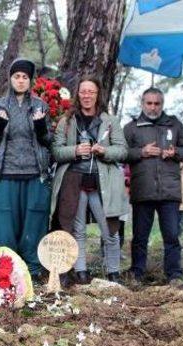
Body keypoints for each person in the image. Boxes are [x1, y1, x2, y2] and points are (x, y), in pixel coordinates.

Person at [51, 75, 129, 285]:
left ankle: (113, 272)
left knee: (109, 229)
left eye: (91, 92)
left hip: (102, 182)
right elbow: (56, 151)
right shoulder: (67, 121)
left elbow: (122, 151)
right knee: (78, 230)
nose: (87, 95)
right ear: (78, 94)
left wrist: (104, 151)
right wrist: (75, 150)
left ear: (97, 95)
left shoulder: (110, 121)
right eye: (83, 91)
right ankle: (81, 271)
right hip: (74, 181)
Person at [0, 58, 52, 280]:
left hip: (35, 173)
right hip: (6, 172)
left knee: (33, 223)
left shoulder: (41, 106)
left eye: (25, 77)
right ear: (10, 79)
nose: (21, 81)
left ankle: (32, 273)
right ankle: (4, 274)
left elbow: (48, 140)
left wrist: (41, 128)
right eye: (17, 77)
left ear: (30, 81)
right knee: (4, 225)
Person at [124, 87, 183, 286]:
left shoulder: (174, 125)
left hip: (169, 191)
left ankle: (174, 275)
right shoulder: (131, 127)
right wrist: (141, 152)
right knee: (140, 236)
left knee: (172, 235)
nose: (153, 107)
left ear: (162, 104)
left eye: (157, 103)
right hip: (142, 190)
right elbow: (122, 153)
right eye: (149, 103)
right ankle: (137, 273)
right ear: (142, 103)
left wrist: (175, 153)